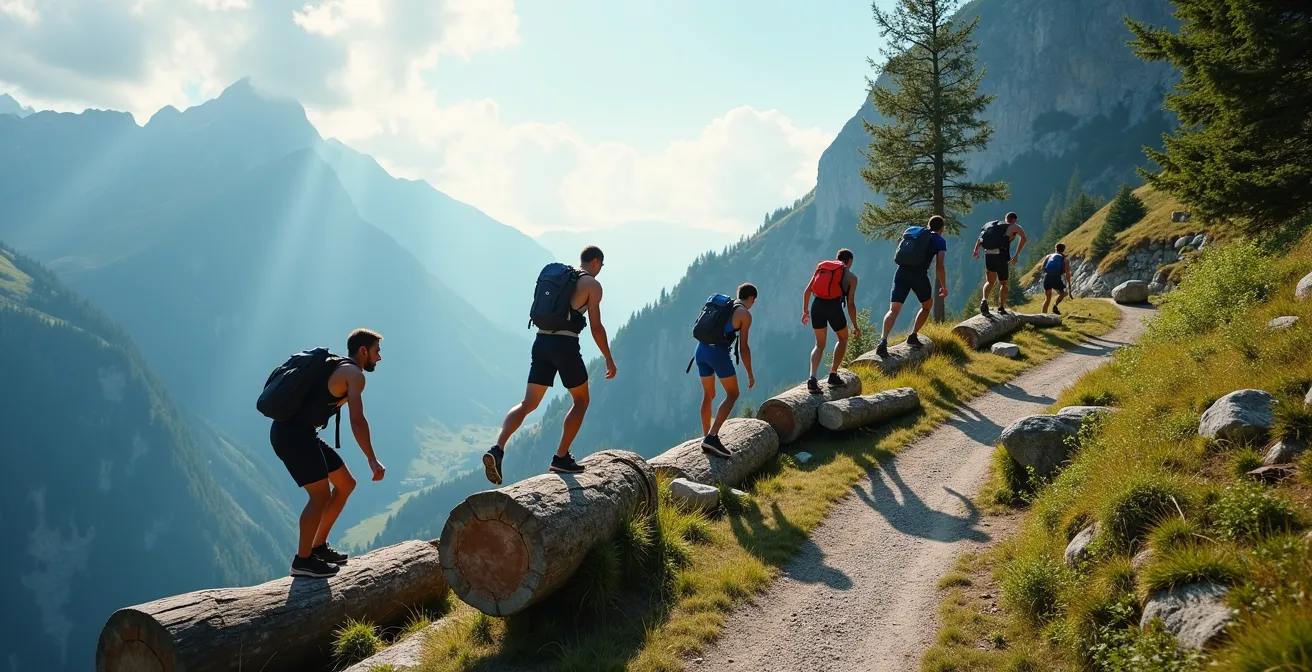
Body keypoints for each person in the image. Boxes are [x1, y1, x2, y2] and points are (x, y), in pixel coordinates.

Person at [483, 245, 617, 485]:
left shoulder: (560, 277)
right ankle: (561, 457)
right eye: (602, 266)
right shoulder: (592, 285)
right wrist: (608, 357)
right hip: (565, 345)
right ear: (596, 262)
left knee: (527, 403)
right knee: (581, 400)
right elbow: (596, 327)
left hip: (541, 342)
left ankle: (497, 448)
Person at [268, 329, 386, 579]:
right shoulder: (354, 375)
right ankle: (302, 561)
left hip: (300, 433)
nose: (379, 357)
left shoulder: (339, 367)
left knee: (345, 484)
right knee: (319, 495)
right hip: (292, 435)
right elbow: (357, 420)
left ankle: (318, 546)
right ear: (363, 350)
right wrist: (371, 459)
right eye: (376, 351)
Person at [692, 283, 757, 457]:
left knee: (709, 394)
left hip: (700, 350)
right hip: (717, 354)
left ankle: (706, 436)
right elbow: (743, 348)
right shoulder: (744, 314)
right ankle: (712, 437)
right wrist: (750, 374)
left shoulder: (725, 306)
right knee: (733, 394)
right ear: (752, 298)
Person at [874, 215, 949, 358]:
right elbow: (940, 266)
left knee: (893, 310)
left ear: (929, 225)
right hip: (918, 275)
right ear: (942, 228)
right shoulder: (939, 240)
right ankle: (913, 336)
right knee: (926, 306)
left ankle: (883, 341)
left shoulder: (916, 234)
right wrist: (943, 286)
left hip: (901, 272)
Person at [801, 249, 861, 394]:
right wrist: (855, 325)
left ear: (837, 258)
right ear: (850, 261)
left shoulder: (823, 268)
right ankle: (833, 374)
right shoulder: (851, 277)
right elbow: (850, 303)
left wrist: (805, 311)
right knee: (843, 339)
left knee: (819, 345)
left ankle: (812, 378)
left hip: (817, 305)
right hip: (833, 307)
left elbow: (807, 291)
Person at [973, 212, 1028, 315]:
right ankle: (1001, 307)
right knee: (1004, 283)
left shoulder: (991, 225)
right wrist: (1016, 255)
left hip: (988, 254)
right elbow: (1024, 238)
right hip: (1001, 256)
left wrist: (975, 250)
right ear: (1014, 219)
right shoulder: (1013, 227)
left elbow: (980, 238)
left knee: (989, 281)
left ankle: (984, 299)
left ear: (1005, 218)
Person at [1040, 243, 1073, 314]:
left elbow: (1042, 268)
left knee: (1047, 299)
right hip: (1056, 278)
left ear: (1056, 249)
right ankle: (1055, 306)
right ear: (1063, 250)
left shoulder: (1049, 256)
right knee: (1063, 293)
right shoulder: (1065, 260)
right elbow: (1067, 274)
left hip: (1047, 277)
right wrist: (1069, 284)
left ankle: (1042, 317)